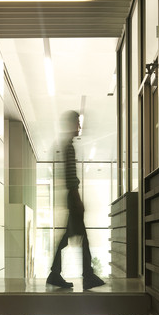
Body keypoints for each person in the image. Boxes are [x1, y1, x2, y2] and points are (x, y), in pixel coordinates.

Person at [46, 110, 105, 290]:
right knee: (80, 237)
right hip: (72, 195)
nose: (79, 126)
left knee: (69, 237)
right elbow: (70, 177)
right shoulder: (68, 147)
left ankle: (57, 273)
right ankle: (86, 275)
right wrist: (76, 197)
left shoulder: (65, 145)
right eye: (77, 122)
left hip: (71, 195)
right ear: (71, 124)